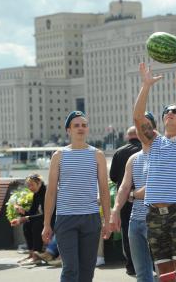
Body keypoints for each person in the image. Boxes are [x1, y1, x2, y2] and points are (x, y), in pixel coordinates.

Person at [133, 61, 176, 280]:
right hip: (153, 214)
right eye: (166, 111)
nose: (170, 113)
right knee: (163, 274)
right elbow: (137, 118)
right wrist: (146, 85)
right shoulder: (154, 142)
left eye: (175, 111)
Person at [42, 110, 111, 282]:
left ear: (87, 129)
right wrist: (46, 224)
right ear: (68, 130)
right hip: (65, 218)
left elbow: (103, 189)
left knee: (87, 270)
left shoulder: (98, 155)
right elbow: (51, 192)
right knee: (70, 269)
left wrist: (107, 221)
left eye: (84, 125)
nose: (81, 128)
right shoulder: (59, 156)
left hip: (91, 218)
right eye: (76, 125)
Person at [110, 112, 157, 282]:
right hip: (135, 222)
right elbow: (123, 186)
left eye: (147, 126)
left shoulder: (162, 155)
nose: (143, 129)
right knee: (142, 275)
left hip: (158, 220)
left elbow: (154, 186)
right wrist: (115, 211)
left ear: (154, 129)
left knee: (164, 272)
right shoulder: (133, 159)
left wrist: (132, 194)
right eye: (139, 126)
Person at [109, 126, 142, 275]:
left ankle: (131, 266)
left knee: (128, 232)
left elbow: (113, 177)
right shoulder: (147, 149)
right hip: (144, 197)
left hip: (124, 199)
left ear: (127, 137)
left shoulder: (119, 152)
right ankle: (149, 265)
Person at [10, 173, 50, 266]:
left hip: (53, 218)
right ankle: (31, 254)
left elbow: (46, 215)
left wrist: (25, 218)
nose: (30, 188)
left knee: (37, 224)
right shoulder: (36, 194)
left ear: (39, 183)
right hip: (46, 217)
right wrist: (22, 211)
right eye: (28, 185)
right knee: (27, 224)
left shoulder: (46, 192)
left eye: (32, 185)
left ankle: (37, 256)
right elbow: (32, 212)